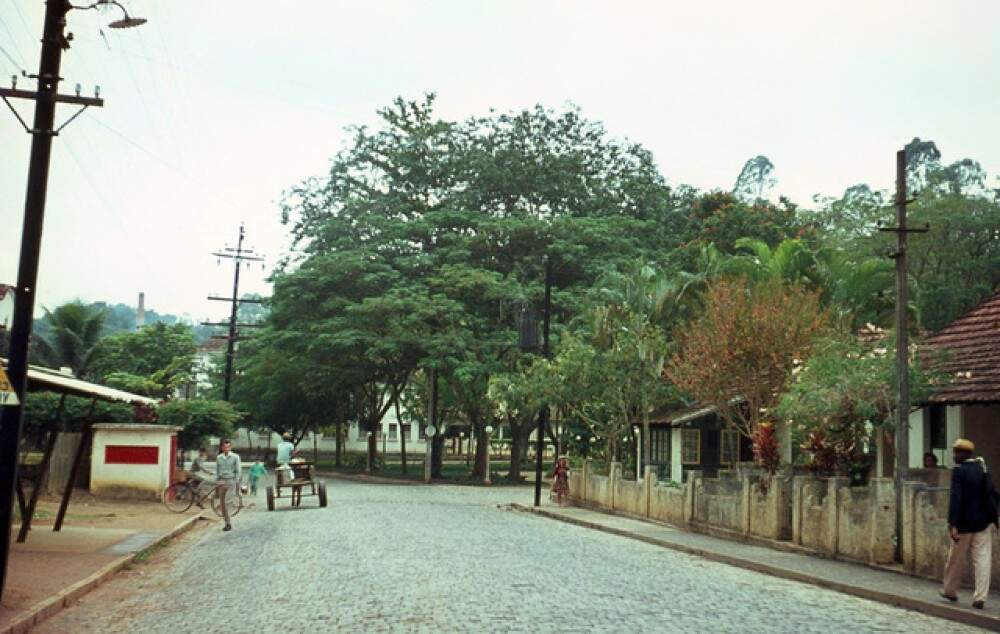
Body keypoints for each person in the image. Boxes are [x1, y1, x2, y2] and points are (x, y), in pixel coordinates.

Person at [941, 438, 999, 609]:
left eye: (957, 452)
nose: (954, 455)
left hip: (964, 524)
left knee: (955, 559)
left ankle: (950, 591)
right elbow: (990, 494)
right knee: (982, 559)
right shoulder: (982, 469)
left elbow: (956, 498)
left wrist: (953, 523)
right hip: (983, 522)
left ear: (965, 454)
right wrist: (993, 518)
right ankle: (980, 597)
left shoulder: (959, 472)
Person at [215, 439, 241, 532]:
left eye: (228, 447)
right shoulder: (219, 458)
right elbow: (217, 470)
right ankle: (226, 523)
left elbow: (238, 471)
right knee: (222, 504)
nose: (226, 449)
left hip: (231, 481)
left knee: (227, 502)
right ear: (222, 448)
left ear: (230, 447)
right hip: (221, 481)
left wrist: (236, 482)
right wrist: (217, 481)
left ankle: (229, 523)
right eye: (224, 447)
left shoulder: (235, 457)